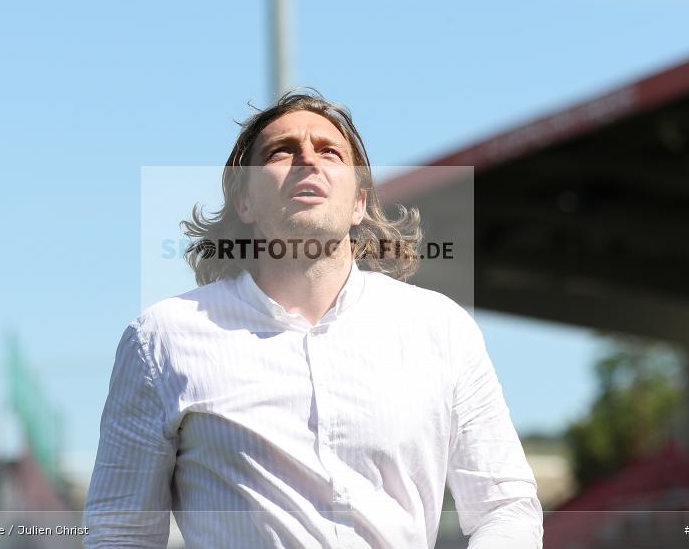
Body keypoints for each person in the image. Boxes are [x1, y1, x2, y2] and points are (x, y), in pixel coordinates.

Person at [83, 90, 544, 548]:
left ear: (359, 202)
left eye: (330, 152)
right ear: (244, 203)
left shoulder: (441, 327)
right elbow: (120, 533)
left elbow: (506, 507)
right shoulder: (163, 338)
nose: (308, 160)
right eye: (282, 151)